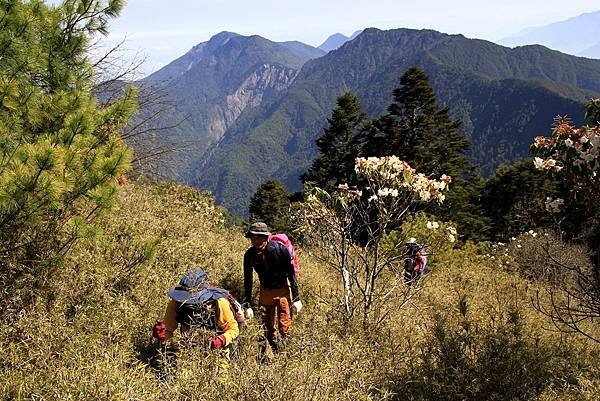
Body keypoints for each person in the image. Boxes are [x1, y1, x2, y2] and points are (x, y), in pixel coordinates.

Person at [152, 268, 240, 358]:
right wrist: (161, 335)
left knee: (222, 369)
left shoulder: (219, 303)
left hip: (217, 351)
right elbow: (167, 330)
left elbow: (233, 330)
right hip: (187, 348)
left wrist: (221, 340)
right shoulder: (176, 303)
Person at [243, 222, 301, 357]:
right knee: (266, 328)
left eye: (258, 238)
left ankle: (286, 357)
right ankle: (275, 353)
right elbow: (248, 280)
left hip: (282, 291)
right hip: (265, 292)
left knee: (285, 327)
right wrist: (247, 303)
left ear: (266, 237)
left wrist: (296, 298)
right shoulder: (250, 255)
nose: (255, 241)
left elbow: (291, 274)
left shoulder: (280, 250)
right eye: (252, 238)